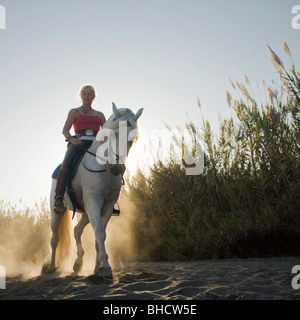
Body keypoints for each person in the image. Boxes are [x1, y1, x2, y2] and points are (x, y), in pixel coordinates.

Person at [54, 84, 106, 213]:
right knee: (66, 163)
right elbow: (65, 130)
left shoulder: (100, 115)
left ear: (94, 97)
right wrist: (71, 139)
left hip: (96, 144)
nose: (87, 96)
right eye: (84, 94)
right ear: (81, 96)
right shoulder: (74, 112)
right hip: (79, 143)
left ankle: (112, 199)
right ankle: (59, 197)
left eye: (90, 94)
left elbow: (106, 133)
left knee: (113, 162)